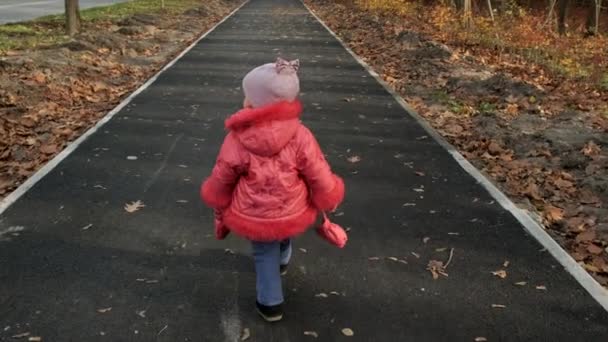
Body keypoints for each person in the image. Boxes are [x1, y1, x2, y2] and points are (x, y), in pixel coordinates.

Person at [200, 57, 345, 322]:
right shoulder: (301, 135)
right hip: (292, 206)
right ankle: (284, 259)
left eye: (247, 96)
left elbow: (224, 174)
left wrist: (218, 197)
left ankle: (270, 303)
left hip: (255, 212)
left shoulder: (238, 138)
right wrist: (328, 193)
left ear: (253, 103)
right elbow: (317, 170)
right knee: (284, 232)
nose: (244, 100)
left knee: (263, 251)